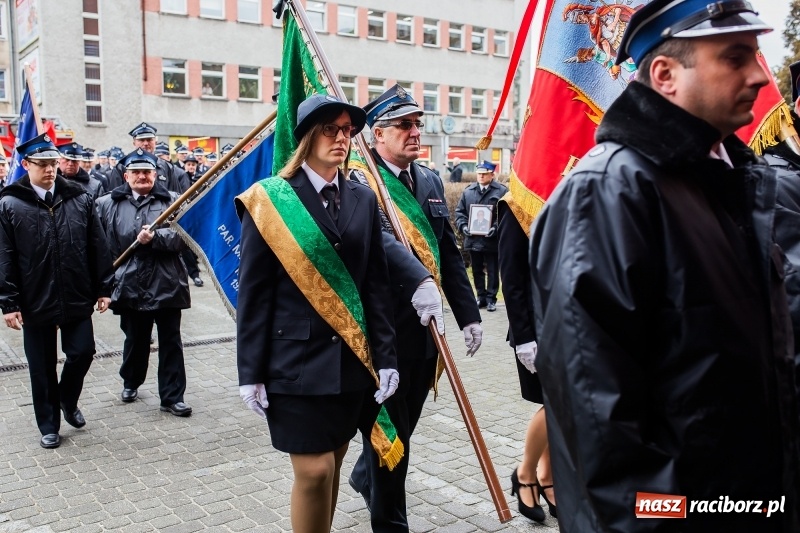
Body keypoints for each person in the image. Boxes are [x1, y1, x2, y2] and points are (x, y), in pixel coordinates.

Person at [529, 2, 800, 531]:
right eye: (735, 57)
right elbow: (606, 444)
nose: (757, 75)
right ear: (665, 74)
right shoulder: (607, 194)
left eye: (757, 55)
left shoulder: (741, 182)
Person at [235, 94, 398, 533]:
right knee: (315, 471)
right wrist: (249, 370)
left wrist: (386, 358)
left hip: (350, 361)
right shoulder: (272, 201)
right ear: (307, 136)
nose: (342, 138)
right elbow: (254, 293)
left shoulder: (363, 199)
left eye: (348, 130)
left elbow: (375, 288)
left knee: (337, 458)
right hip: (293, 362)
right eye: (331, 129)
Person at [348, 84, 483, 532]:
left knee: (403, 429)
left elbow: (448, 251)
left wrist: (469, 315)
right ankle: (390, 522)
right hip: (382, 331)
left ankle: (365, 475)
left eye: (416, 124)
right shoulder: (358, 181)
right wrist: (417, 280)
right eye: (403, 125)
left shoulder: (426, 180)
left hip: (427, 330)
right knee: (391, 434)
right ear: (376, 134)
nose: (414, 132)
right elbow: (374, 244)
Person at [0, 133, 113, 448]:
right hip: (33, 297)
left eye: (53, 163)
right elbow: (4, 256)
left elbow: (97, 244)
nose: (50, 170)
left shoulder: (79, 197)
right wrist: (8, 302)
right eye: (42, 164)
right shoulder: (9, 203)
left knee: (83, 352)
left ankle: (67, 397)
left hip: (76, 291)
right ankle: (49, 425)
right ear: (26, 165)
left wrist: (105, 286)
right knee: (41, 364)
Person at [96, 149, 193, 417]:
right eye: (136, 172)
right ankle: (131, 380)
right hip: (128, 284)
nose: (142, 176)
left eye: (147, 172)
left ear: (156, 174)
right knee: (136, 340)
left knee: (171, 341)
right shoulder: (107, 204)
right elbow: (100, 246)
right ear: (126, 176)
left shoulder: (174, 201)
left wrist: (157, 239)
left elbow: (185, 239)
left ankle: (173, 397)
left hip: (168, 283)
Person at [497, 199, 554, 522]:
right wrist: (523, 336)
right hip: (533, 328)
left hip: (568, 324)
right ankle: (525, 474)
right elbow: (512, 272)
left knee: (557, 408)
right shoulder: (518, 199)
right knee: (556, 404)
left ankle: (546, 477)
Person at [455, 160, 507, 312]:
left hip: (491, 239)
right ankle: (481, 297)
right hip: (473, 239)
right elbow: (460, 213)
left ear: (492, 175)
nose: (481, 177)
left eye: (484, 174)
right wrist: (463, 226)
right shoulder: (468, 191)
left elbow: (505, 215)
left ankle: (491, 299)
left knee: (492, 270)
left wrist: (496, 228)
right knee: (476, 270)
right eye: (479, 174)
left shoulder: (501, 191)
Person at [106, 123, 189, 193]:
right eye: (141, 140)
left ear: (155, 142)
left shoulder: (166, 167)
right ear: (134, 142)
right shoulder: (122, 167)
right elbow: (114, 197)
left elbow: (175, 196)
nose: (146, 143)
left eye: (149, 140)